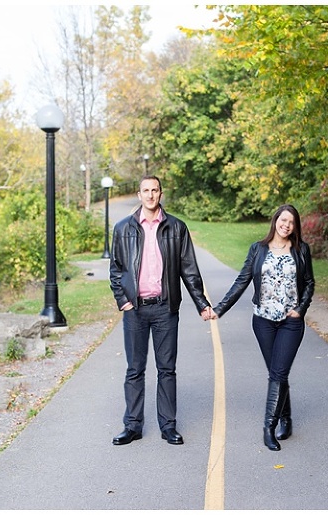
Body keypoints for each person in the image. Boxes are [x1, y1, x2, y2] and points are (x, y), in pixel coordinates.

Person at [109, 175, 214, 446]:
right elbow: (116, 269)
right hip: (135, 310)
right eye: (145, 190)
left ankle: (168, 426)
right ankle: (132, 426)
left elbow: (189, 269)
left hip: (165, 308)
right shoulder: (123, 228)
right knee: (135, 369)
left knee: (167, 369)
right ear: (139, 194)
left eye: (154, 190)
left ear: (160, 193)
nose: (150, 195)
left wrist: (201, 303)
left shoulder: (176, 228)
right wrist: (123, 301)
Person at [211, 204, 315, 451]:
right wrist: (219, 309)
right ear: (275, 220)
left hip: (291, 322)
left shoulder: (301, 250)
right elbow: (242, 281)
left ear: (295, 226)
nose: (286, 225)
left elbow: (309, 282)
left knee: (277, 373)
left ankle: (269, 428)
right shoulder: (258, 249)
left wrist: (301, 309)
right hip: (263, 321)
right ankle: (286, 418)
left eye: (291, 222)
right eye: (283, 220)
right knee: (278, 371)